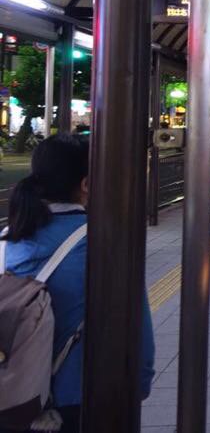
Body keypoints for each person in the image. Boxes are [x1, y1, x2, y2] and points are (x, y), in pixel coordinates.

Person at [0, 135, 155, 431]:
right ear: (86, 184)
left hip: (13, 401)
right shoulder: (103, 243)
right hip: (80, 399)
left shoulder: (7, 241)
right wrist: (139, 385)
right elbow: (138, 332)